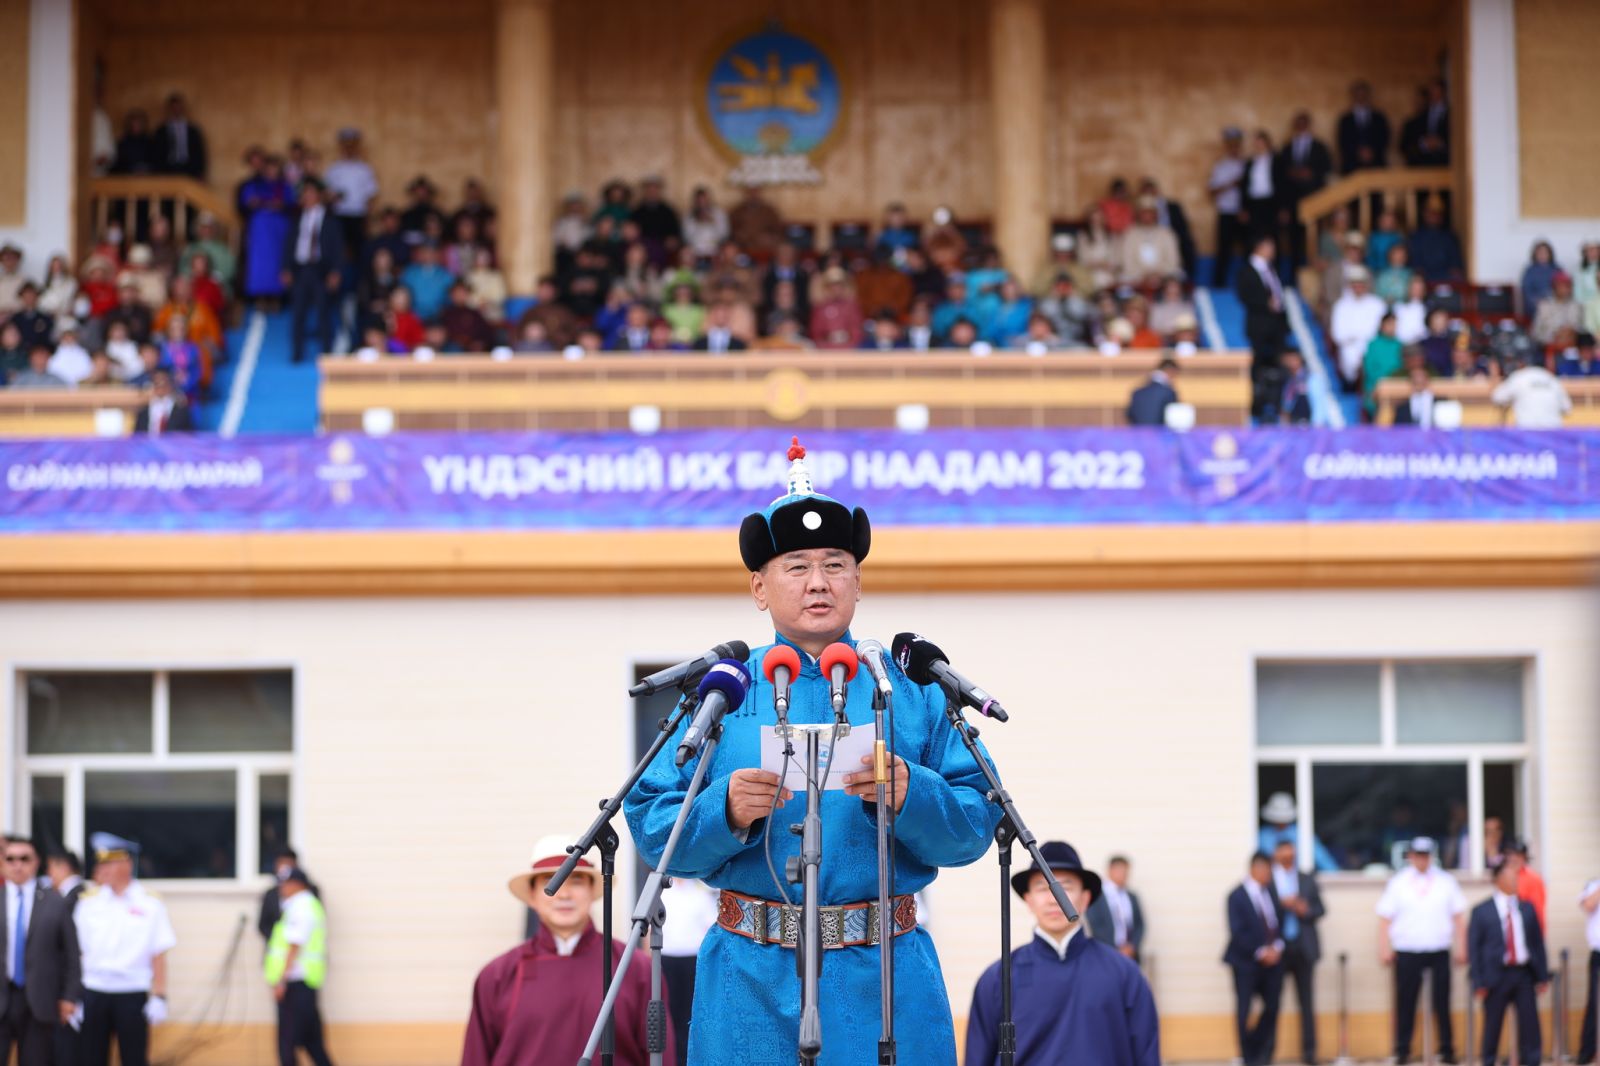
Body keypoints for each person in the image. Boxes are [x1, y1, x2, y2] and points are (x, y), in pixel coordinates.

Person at [624, 438, 1000, 1065]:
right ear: (760, 588)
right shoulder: (722, 695)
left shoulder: (908, 693)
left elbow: (975, 825)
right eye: (796, 567)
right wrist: (725, 811)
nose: (818, 582)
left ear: (858, 581)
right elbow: (651, 826)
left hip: (886, 976)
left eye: (835, 564)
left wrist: (916, 794)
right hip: (747, 981)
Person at [461, 835, 670, 1066]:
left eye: (576, 881)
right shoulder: (497, 976)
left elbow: (661, 1057)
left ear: (593, 890)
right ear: (532, 896)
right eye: (551, 880)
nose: (564, 894)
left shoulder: (635, 969)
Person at [967, 842, 1159, 1066]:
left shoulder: (1125, 974)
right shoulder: (999, 978)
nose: (1053, 898)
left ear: (1085, 899)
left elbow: (1146, 1055)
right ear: (1028, 900)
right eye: (1041, 887)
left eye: (1064, 886)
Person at [75, 833, 177, 1066]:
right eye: (101, 863)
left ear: (127, 864)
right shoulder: (89, 903)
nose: (103, 869)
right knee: (90, 1058)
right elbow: (78, 953)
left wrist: (159, 996)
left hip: (131, 992)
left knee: (134, 1059)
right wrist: (75, 995)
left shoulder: (150, 903)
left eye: (109, 862)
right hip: (94, 991)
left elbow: (158, 953)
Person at [1378, 837, 1466, 1065]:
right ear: (1410, 856)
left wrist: (1462, 947)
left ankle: (1447, 1049)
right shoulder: (1398, 882)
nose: (1421, 859)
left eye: (1425, 855)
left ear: (1431, 856)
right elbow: (1385, 918)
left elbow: (1458, 917)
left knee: (1442, 1002)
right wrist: (1384, 947)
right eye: (1417, 855)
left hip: (1438, 949)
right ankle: (1402, 1050)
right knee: (1405, 1002)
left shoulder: (1446, 881)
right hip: (1407, 950)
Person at [1, 835, 81, 1066]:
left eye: (24, 859)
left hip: (40, 1002)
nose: (17, 865)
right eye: (11, 859)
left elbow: (71, 953)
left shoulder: (55, 902)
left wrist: (69, 996)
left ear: (36, 862)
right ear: (3, 863)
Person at [1468, 857, 1548, 1066]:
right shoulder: (1481, 911)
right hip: (1496, 975)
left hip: (1523, 973)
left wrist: (1542, 975)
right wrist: (1478, 981)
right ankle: (1489, 1060)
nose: (1515, 880)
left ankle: (1530, 1060)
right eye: (1510, 876)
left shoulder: (1527, 908)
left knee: (1530, 1025)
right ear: (1497, 879)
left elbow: (1538, 944)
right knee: (1492, 1025)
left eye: (1516, 877)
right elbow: (1474, 950)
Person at [265, 865, 335, 1066]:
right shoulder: (301, 905)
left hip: (297, 983)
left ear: (296, 884)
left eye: (284, 883)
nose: (281, 888)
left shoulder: (301, 906)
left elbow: (294, 945)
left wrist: (281, 981)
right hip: (302, 983)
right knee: (312, 1042)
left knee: (288, 1043)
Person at [1224, 853, 1287, 1066]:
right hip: (1246, 962)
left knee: (1272, 1007)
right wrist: (1261, 951)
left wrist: (1276, 947)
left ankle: (1262, 1052)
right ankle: (1248, 1056)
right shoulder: (1236, 896)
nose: (1269, 875)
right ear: (1256, 869)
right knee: (1244, 1010)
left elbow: (1278, 923)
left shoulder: (1271, 892)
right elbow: (1237, 931)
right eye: (1267, 871)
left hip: (1274, 961)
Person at [1269, 839, 1325, 1065]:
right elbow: (1261, 908)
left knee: (1307, 1003)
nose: (1287, 857)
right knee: (1272, 1002)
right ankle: (1267, 1052)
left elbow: (1321, 909)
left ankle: (1310, 1052)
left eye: (1290, 854)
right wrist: (1281, 904)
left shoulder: (1305, 878)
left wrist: (1305, 909)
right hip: (1279, 947)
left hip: (1303, 947)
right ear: (1276, 855)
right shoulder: (1269, 880)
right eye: (1283, 854)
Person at [282, 179, 345, 363]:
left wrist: (336, 272)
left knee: (323, 311)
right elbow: (289, 246)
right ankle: (297, 352)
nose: (307, 197)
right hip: (300, 270)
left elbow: (338, 248)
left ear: (319, 196)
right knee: (298, 312)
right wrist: (285, 268)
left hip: (321, 270)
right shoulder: (296, 219)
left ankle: (326, 351)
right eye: (304, 194)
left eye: (311, 193)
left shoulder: (331, 220)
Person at [659, 879, 719, 1066]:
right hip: (666, 958)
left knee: (690, 1012)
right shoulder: (662, 892)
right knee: (669, 1012)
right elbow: (653, 929)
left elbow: (710, 927)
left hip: (692, 959)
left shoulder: (701, 893)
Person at [1237, 233, 1289, 416]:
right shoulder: (1247, 271)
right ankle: (1255, 407)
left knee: (1278, 368)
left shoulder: (1271, 270)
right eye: (1269, 246)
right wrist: (1265, 304)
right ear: (1259, 247)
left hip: (1276, 327)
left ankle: (1276, 405)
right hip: (1258, 326)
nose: (1273, 250)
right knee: (1257, 368)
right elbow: (1244, 295)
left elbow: (1279, 299)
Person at [1277, 113, 1333, 267]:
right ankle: (1295, 277)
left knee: (1315, 239)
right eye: (1298, 123)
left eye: (1304, 123)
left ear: (1309, 125)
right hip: (1292, 202)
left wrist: (1311, 174)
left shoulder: (1320, 147)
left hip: (1315, 200)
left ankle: (1313, 272)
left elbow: (1326, 169)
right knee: (1294, 241)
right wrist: (1283, 207)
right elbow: (1281, 178)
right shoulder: (1287, 148)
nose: (1301, 126)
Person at [45, 850, 85, 1066]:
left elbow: (75, 950)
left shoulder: (75, 898)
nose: (48, 874)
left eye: (50, 868)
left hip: (70, 992)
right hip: (64, 989)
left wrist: (71, 994)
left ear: (63, 867)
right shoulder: (67, 897)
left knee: (68, 1053)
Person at [323, 128, 378, 268]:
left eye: (352, 145)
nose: (349, 148)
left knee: (360, 252)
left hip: (358, 215)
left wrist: (368, 219)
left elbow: (370, 196)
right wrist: (332, 198)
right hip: (339, 215)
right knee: (338, 251)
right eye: (345, 145)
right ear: (341, 146)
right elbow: (325, 194)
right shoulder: (334, 169)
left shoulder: (364, 169)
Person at [1331, 266, 1387, 394]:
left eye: (1361, 284)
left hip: (1374, 346)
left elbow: (1382, 331)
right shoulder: (1341, 306)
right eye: (1354, 284)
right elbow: (1338, 335)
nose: (1358, 287)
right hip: (1350, 347)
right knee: (1350, 358)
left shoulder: (1377, 304)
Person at [1258, 793, 1339, 872]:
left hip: (1297, 881)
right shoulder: (1263, 835)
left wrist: (1336, 876)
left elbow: (1321, 858)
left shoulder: (1301, 833)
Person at [1087, 855, 1146, 963]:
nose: (1123, 874)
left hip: (1131, 956)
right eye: (1120, 870)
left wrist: (1132, 946)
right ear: (1110, 870)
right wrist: (1115, 949)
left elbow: (1139, 924)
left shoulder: (1132, 896)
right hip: (1105, 953)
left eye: (1126, 871)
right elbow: (1096, 924)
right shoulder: (1097, 896)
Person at [1209, 128, 1248, 287]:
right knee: (1223, 252)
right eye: (1231, 145)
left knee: (1248, 252)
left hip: (1243, 214)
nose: (1234, 148)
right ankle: (1218, 286)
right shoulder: (1221, 166)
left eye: (1237, 145)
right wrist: (1231, 184)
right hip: (1226, 212)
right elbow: (1212, 191)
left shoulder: (1247, 165)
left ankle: (1249, 285)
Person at [258, 847, 320, 943]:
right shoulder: (271, 894)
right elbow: (263, 925)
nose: (284, 889)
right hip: (279, 950)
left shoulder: (306, 898)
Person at [1492, 355, 1572, 428]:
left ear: (1521, 364)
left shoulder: (1519, 377)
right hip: (1553, 432)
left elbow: (1497, 397)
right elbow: (1567, 408)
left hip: (1528, 432)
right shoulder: (1551, 379)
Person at [1337, 80, 1392, 174]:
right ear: (1353, 96)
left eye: (1363, 94)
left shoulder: (1379, 117)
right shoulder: (1345, 119)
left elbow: (1385, 138)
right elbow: (1343, 141)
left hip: (1376, 164)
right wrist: (1358, 153)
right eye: (1358, 94)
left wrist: (1372, 151)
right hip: (1352, 165)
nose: (1361, 97)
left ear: (1368, 95)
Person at [1362, 313, 1404, 421]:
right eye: (1389, 324)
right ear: (1382, 325)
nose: (1392, 327)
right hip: (1376, 388)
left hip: (1397, 389)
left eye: (1394, 324)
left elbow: (1402, 369)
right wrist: (1384, 384)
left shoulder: (1400, 345)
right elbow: (1370, 369)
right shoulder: (1373, 345)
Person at [156, 93, 206, 179]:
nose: (176, 110)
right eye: (174, 107)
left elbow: (199, 153)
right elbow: (157, 153)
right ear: (169, 109)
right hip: (167, 170)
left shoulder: (192, 130)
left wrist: (199, 172)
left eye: (179, 107)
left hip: (188, 169)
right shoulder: (161, 131)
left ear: (183, 108)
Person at [1501, 839, 1547, 931]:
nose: (1512, 858)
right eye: (1509, 854)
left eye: (1517, 855)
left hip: (1525, 929)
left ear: (1524, 857)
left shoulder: (1533, 879)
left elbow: (1537, 911)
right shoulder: (1503, 876)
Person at [1579, 874, 1600, 1065]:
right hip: (1599, 953)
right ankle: (1587, 1052)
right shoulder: (1594, 884)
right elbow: (1588, 905)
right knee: (1596, 1004)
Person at [1127, 359, 1179, 427]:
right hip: (1159, 434)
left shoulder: (1137, 392)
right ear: (1170, 371)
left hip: (1139, 434)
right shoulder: (1168, 393)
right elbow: (1173, 418)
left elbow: (1129, 415)